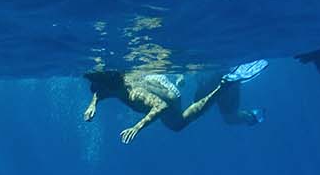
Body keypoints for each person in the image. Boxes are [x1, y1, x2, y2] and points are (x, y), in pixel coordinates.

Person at [81, 62, 264, 145]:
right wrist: (93, 104)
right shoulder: (115, 84)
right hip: (155, 82)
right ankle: (215, 82)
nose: (98, 91)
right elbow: (100, 91)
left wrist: (137, 127)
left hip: (168, 96)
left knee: (176, 124)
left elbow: (161, 106)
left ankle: (222, 87)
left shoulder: (134, 95)